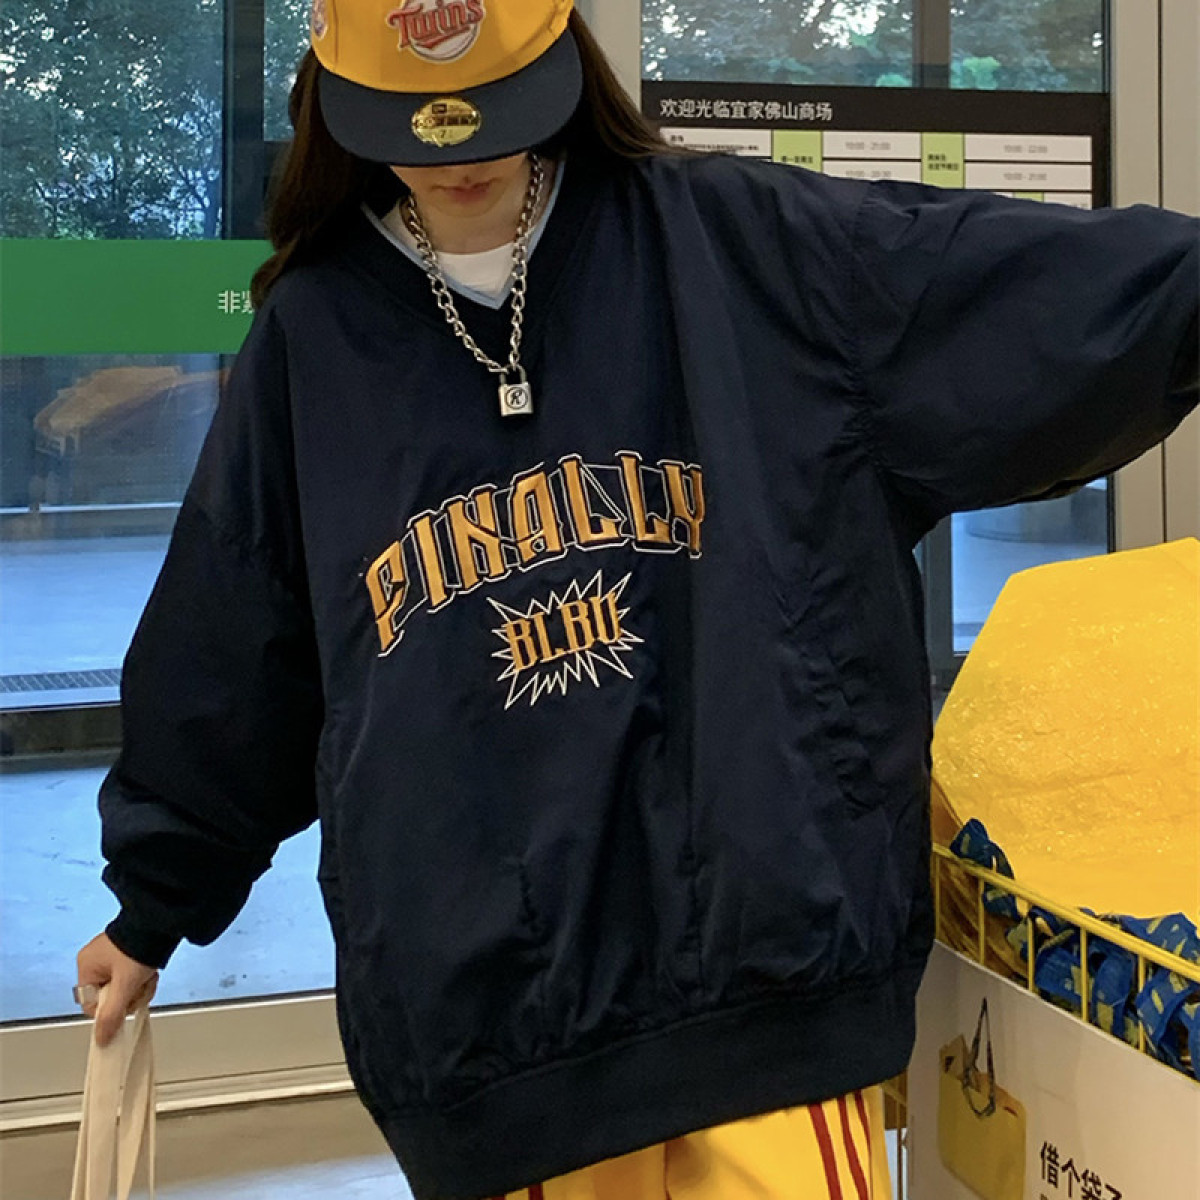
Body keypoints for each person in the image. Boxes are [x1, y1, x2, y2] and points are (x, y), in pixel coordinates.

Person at [75, 2, 1198, 1198]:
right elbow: (237, 641)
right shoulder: (317, 335)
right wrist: (154, 904)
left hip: (767, 995)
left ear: (556, 62)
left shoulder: (746, 248)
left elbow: (1037, 300)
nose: (456, 158)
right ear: (339, 102)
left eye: (489, 116)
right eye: (412, 126)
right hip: (501, 1040)